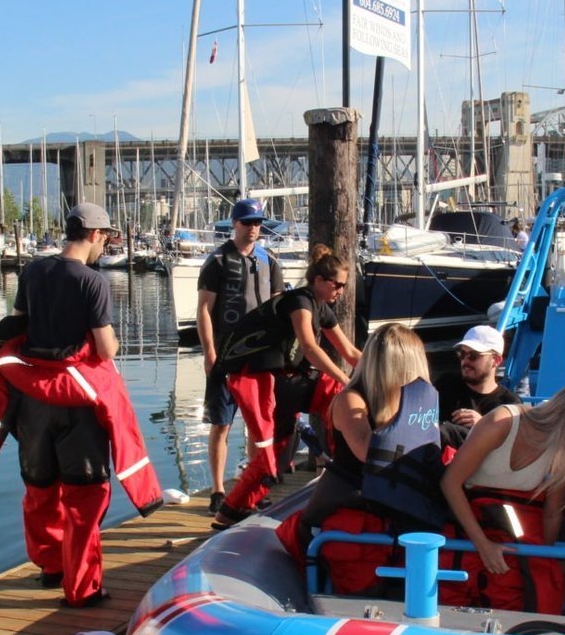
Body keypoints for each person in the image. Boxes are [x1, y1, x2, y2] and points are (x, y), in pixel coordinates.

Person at [0, 202, 161, 607]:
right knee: (84, 495)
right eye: (106, 238)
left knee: (40, 487)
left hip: (34, 398)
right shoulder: (92, 281)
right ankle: (83, 589)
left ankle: (50, 567)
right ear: (94, 234)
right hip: (77, 401)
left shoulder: (33, 271)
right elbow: (105, 349)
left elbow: (16, 324)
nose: (105, 246)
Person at [274, 324, 444, 594]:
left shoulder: (419, 405)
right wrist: (401, 423)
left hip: (399, 496)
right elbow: (367, 452)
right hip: (352, 492)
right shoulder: (351, 400)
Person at [214, 244, 361, 528]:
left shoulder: (323, 309)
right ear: (319, 281)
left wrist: (386, 374)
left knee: (274, 460)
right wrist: (347, 380)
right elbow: (308, 347)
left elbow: (351, 353)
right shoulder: (301, 301)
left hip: (282, 383)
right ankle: (348, 468)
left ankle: (230, 512)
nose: (341, 291)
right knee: (333, 390)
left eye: (344, 285)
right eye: (338, 285)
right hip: (258, 378)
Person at [439, 381, 565, 614]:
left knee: (534, 588)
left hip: (508, 537)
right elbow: (450, 483)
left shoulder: (563, 449)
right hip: (465, 528)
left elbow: (552, 513)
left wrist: (540, 564)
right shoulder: (501, 422)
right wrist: (484, 546)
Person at [196, 198, 284, 516]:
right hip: (225, 356)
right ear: (234, 223)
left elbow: (278, 309)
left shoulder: (269, 261)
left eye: (258, 222)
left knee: (257, 426)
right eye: (247, 222)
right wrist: (209, 353)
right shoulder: (217, 261)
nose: (253, 228)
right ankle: (218, 490)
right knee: (221, 423)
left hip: (258, 359)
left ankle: (252, 486)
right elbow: (204, 309)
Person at [435, 324, 520, 437]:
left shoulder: (509, 404)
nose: (465, 362)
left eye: (473, 356)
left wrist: (484, 425)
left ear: (496, 360)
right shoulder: (446, 385)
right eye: (462, 354)